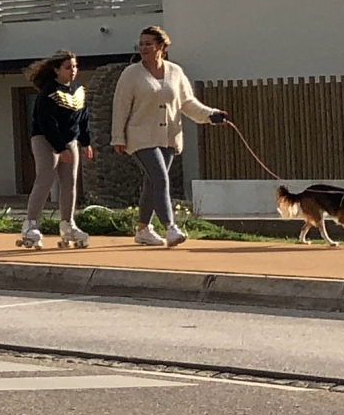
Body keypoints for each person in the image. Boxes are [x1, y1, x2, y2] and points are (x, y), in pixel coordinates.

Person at [110, 25, 227, 246]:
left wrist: (211, 115)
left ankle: (143, 229)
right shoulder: (131, 73)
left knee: (151, 181)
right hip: (140, 136)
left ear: (161, 47)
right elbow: (121, 106)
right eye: (141, 44)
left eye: (148, 44)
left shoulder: (175, 71)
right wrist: (118, 137)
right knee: (160, 178)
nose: (143, 48)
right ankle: (170, 228)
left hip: (168, 136)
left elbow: (187, 103)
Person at [21, 51, 93, 250]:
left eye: (75, 66)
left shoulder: (79, 90)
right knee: (45, 177)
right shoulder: (48, 91)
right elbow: (47, 122)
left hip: (70, 139)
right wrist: (60, 149)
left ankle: (68, 224)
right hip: (45, 138)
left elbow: (84, 119)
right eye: (68, 67)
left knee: (70, 182)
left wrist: (85, 143)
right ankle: (30, 224)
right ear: (57, 70)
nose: (73, 71)